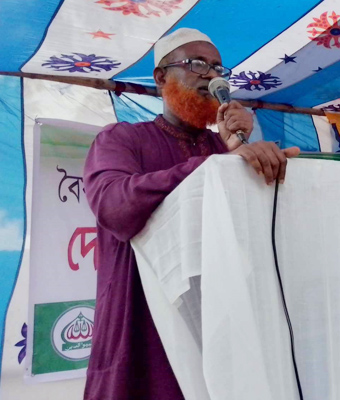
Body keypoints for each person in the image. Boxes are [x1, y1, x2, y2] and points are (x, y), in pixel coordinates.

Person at [82, 28, 300, 400]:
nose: (212, 75)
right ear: (160, 77)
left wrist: (237, 154)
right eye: (197, 64)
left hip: (221, 328)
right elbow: (114, 207)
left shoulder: (226, 151)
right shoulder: (121, 139)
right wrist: (216, 166)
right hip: (142, 327)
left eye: (218, 67)